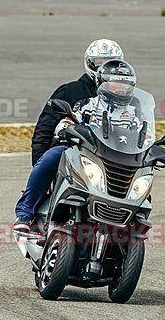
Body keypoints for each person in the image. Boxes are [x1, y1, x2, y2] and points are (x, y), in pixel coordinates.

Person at [14, 39, 124, 233]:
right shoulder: (70, 90)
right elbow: (44, 127)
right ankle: (26, 212)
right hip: (74, 150)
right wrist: (38, 160)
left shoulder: (126, 95)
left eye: (110, 64)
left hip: (111, 153)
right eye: (99, 63)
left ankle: (134, 215)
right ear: (90, 63)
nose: (104, 68)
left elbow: (138, 125)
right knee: (52, 156)